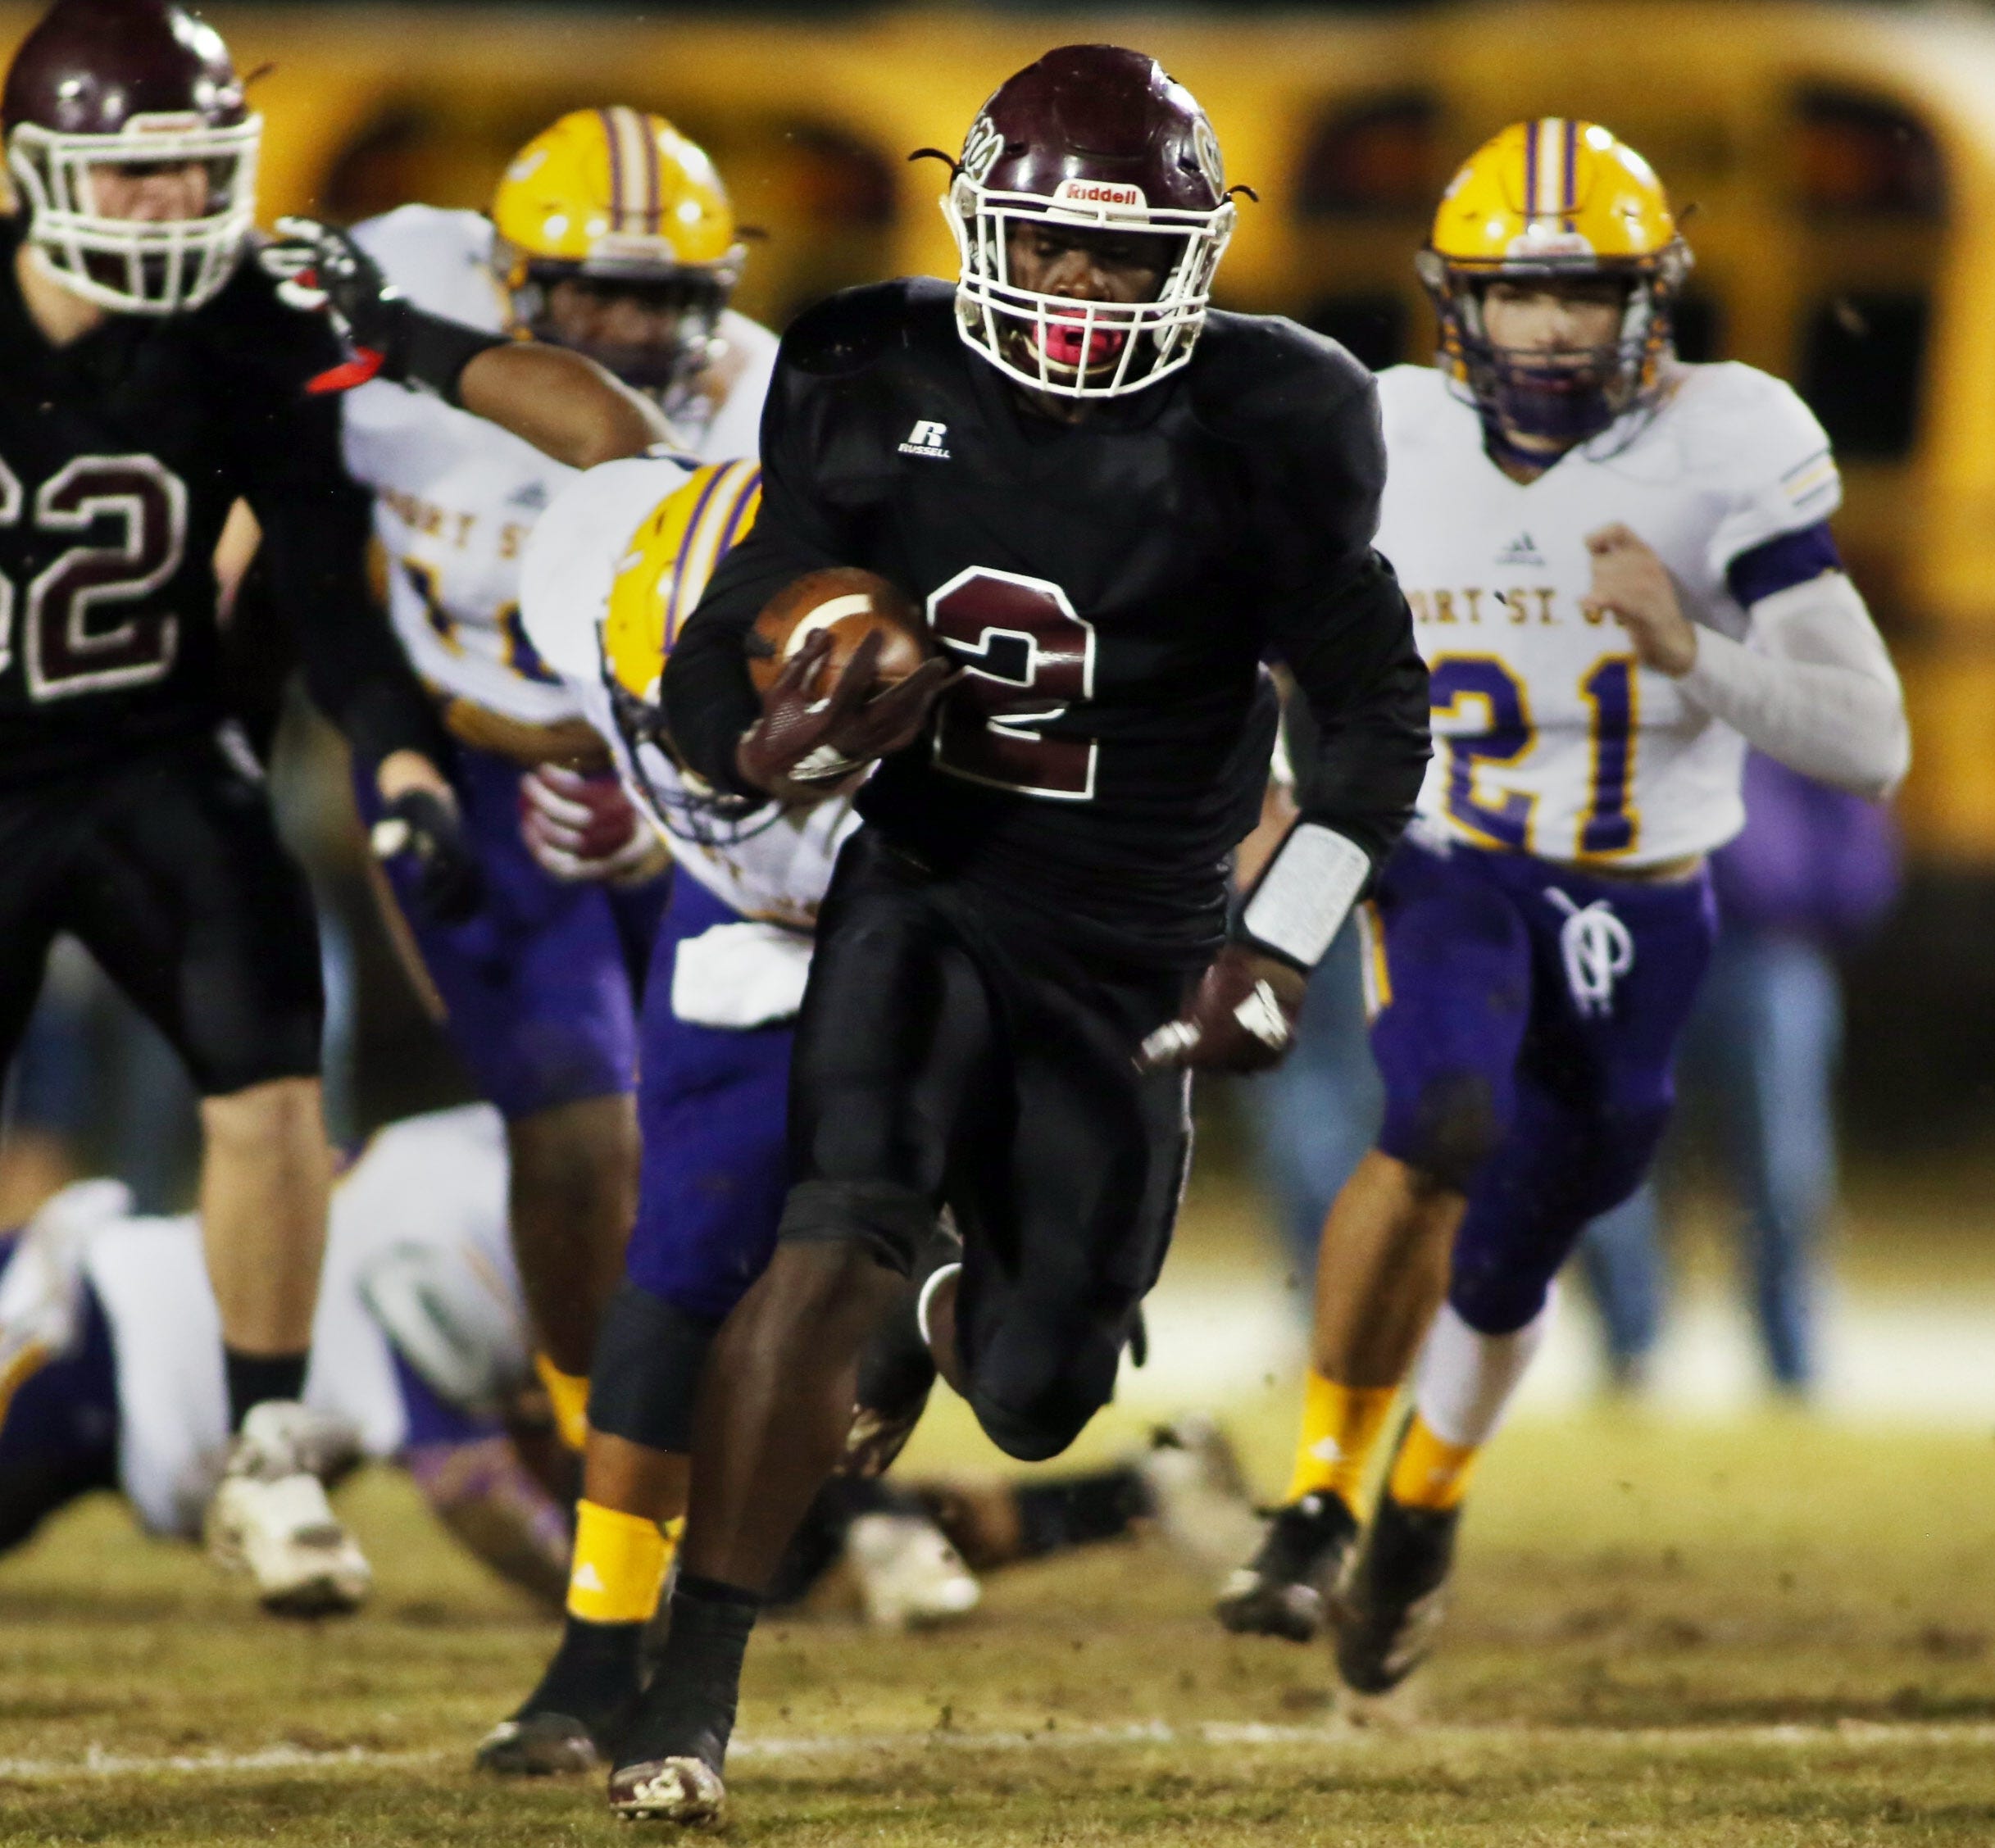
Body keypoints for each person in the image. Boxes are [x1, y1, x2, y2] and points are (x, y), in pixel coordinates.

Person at [626, 43, 1431, 1824]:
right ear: (978, 228)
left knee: (1038, 1388)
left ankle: (942, 1305)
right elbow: (719, 645)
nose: (1076, 287)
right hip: (927, 888)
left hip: (1137, 944)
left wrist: (1277, 943)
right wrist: (758, 742)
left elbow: (1378, 717)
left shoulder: (1277, 417)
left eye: (1119, 254)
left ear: (1190, 258)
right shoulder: (863, 367)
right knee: (821, 1236)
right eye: (1047, 246)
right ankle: (683, 1696)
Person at [1216, 119, 1910, 1693]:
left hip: (1644, 907)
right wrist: (1265, 800)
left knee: (1519, 1248)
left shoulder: (1727, 437)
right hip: (1448, 859)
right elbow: (1244, 644)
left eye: (1581, 293)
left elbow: (1868, 741)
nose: (1544, 328)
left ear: (1645, 298)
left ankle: (1419, 1507)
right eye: (1514, 293)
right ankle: (1316, 1498)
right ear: (1451, 299)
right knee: (1438, 1115)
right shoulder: (1377, 431)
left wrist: (1689, 652)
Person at [0, 0, 484, 1613]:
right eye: (131, 173)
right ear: (36, 171)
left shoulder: (247, 326)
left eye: (192, 166)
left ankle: (267, 1447)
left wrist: (397, 752)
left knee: (271, 1065)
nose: (168, 202)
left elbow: (329, 584)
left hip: (150, 751)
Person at [257, 109, 775, 1436]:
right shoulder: (399, 278)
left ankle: (753, 1444)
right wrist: (384, 740)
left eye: (667, 299)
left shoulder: (759, 405)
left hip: (682, 775)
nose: (633, 331)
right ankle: (605, 1447)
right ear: (508, 274)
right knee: (573, 1121)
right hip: (470, 757)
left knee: (730, 1132)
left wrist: (677, 807)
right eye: (597, 293)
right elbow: (292, 510)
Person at [1578, 751, 1900, 1392]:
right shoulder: (1618, 698)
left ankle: (1792, 1359)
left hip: (1765, 950)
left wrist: (1793, 896)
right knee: (1612, 1165)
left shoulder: (1792, 704)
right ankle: (1630, 1351)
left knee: (1784, 1164)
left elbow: (1857, 830)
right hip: (1634, 945)